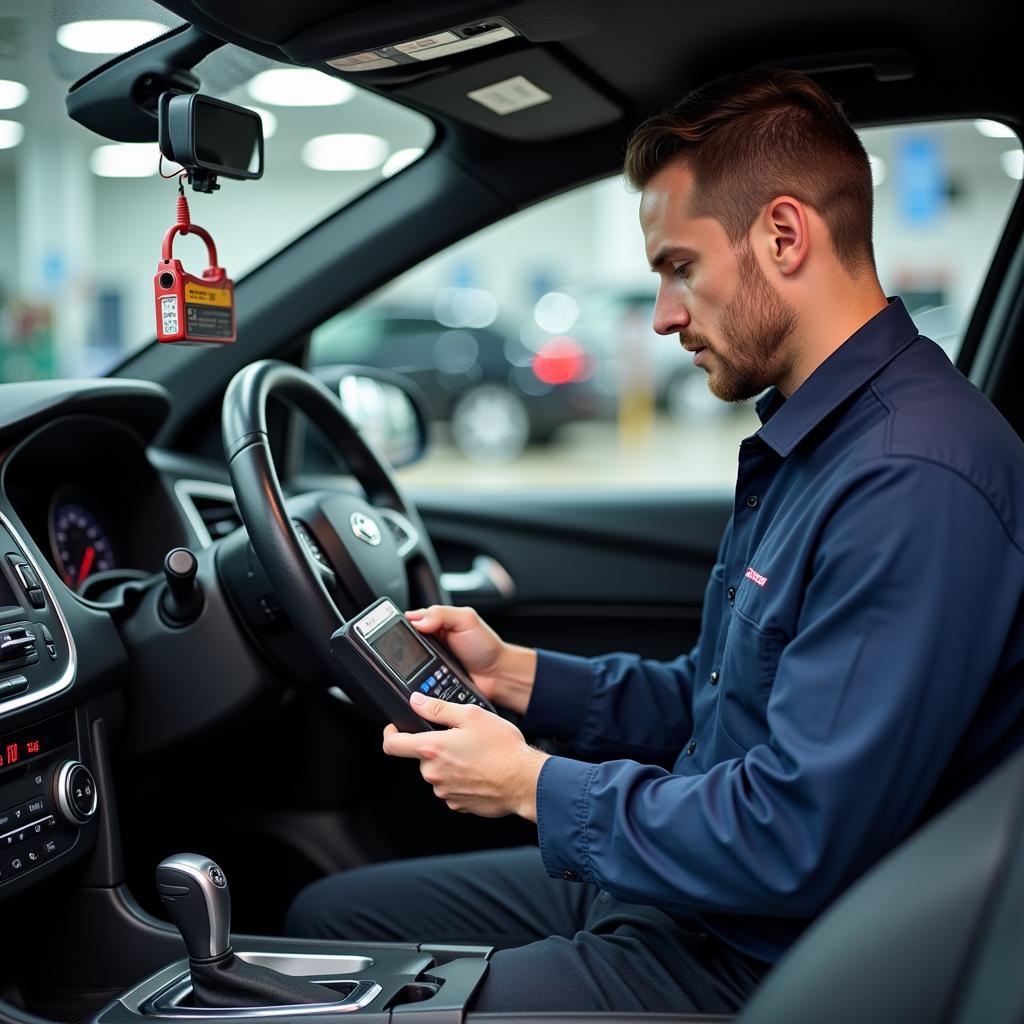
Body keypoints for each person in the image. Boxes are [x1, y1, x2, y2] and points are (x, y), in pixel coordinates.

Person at [285, 67, 1024, 1014]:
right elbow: (714, 705)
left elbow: (795, 836)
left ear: (784, 235)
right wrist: (515, 673)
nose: (667, 315)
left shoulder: (910, 479)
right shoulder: (820, 442)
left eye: (681, 267)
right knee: (328, 925)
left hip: (755, 962)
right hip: (692, 891)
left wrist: (532, 786)